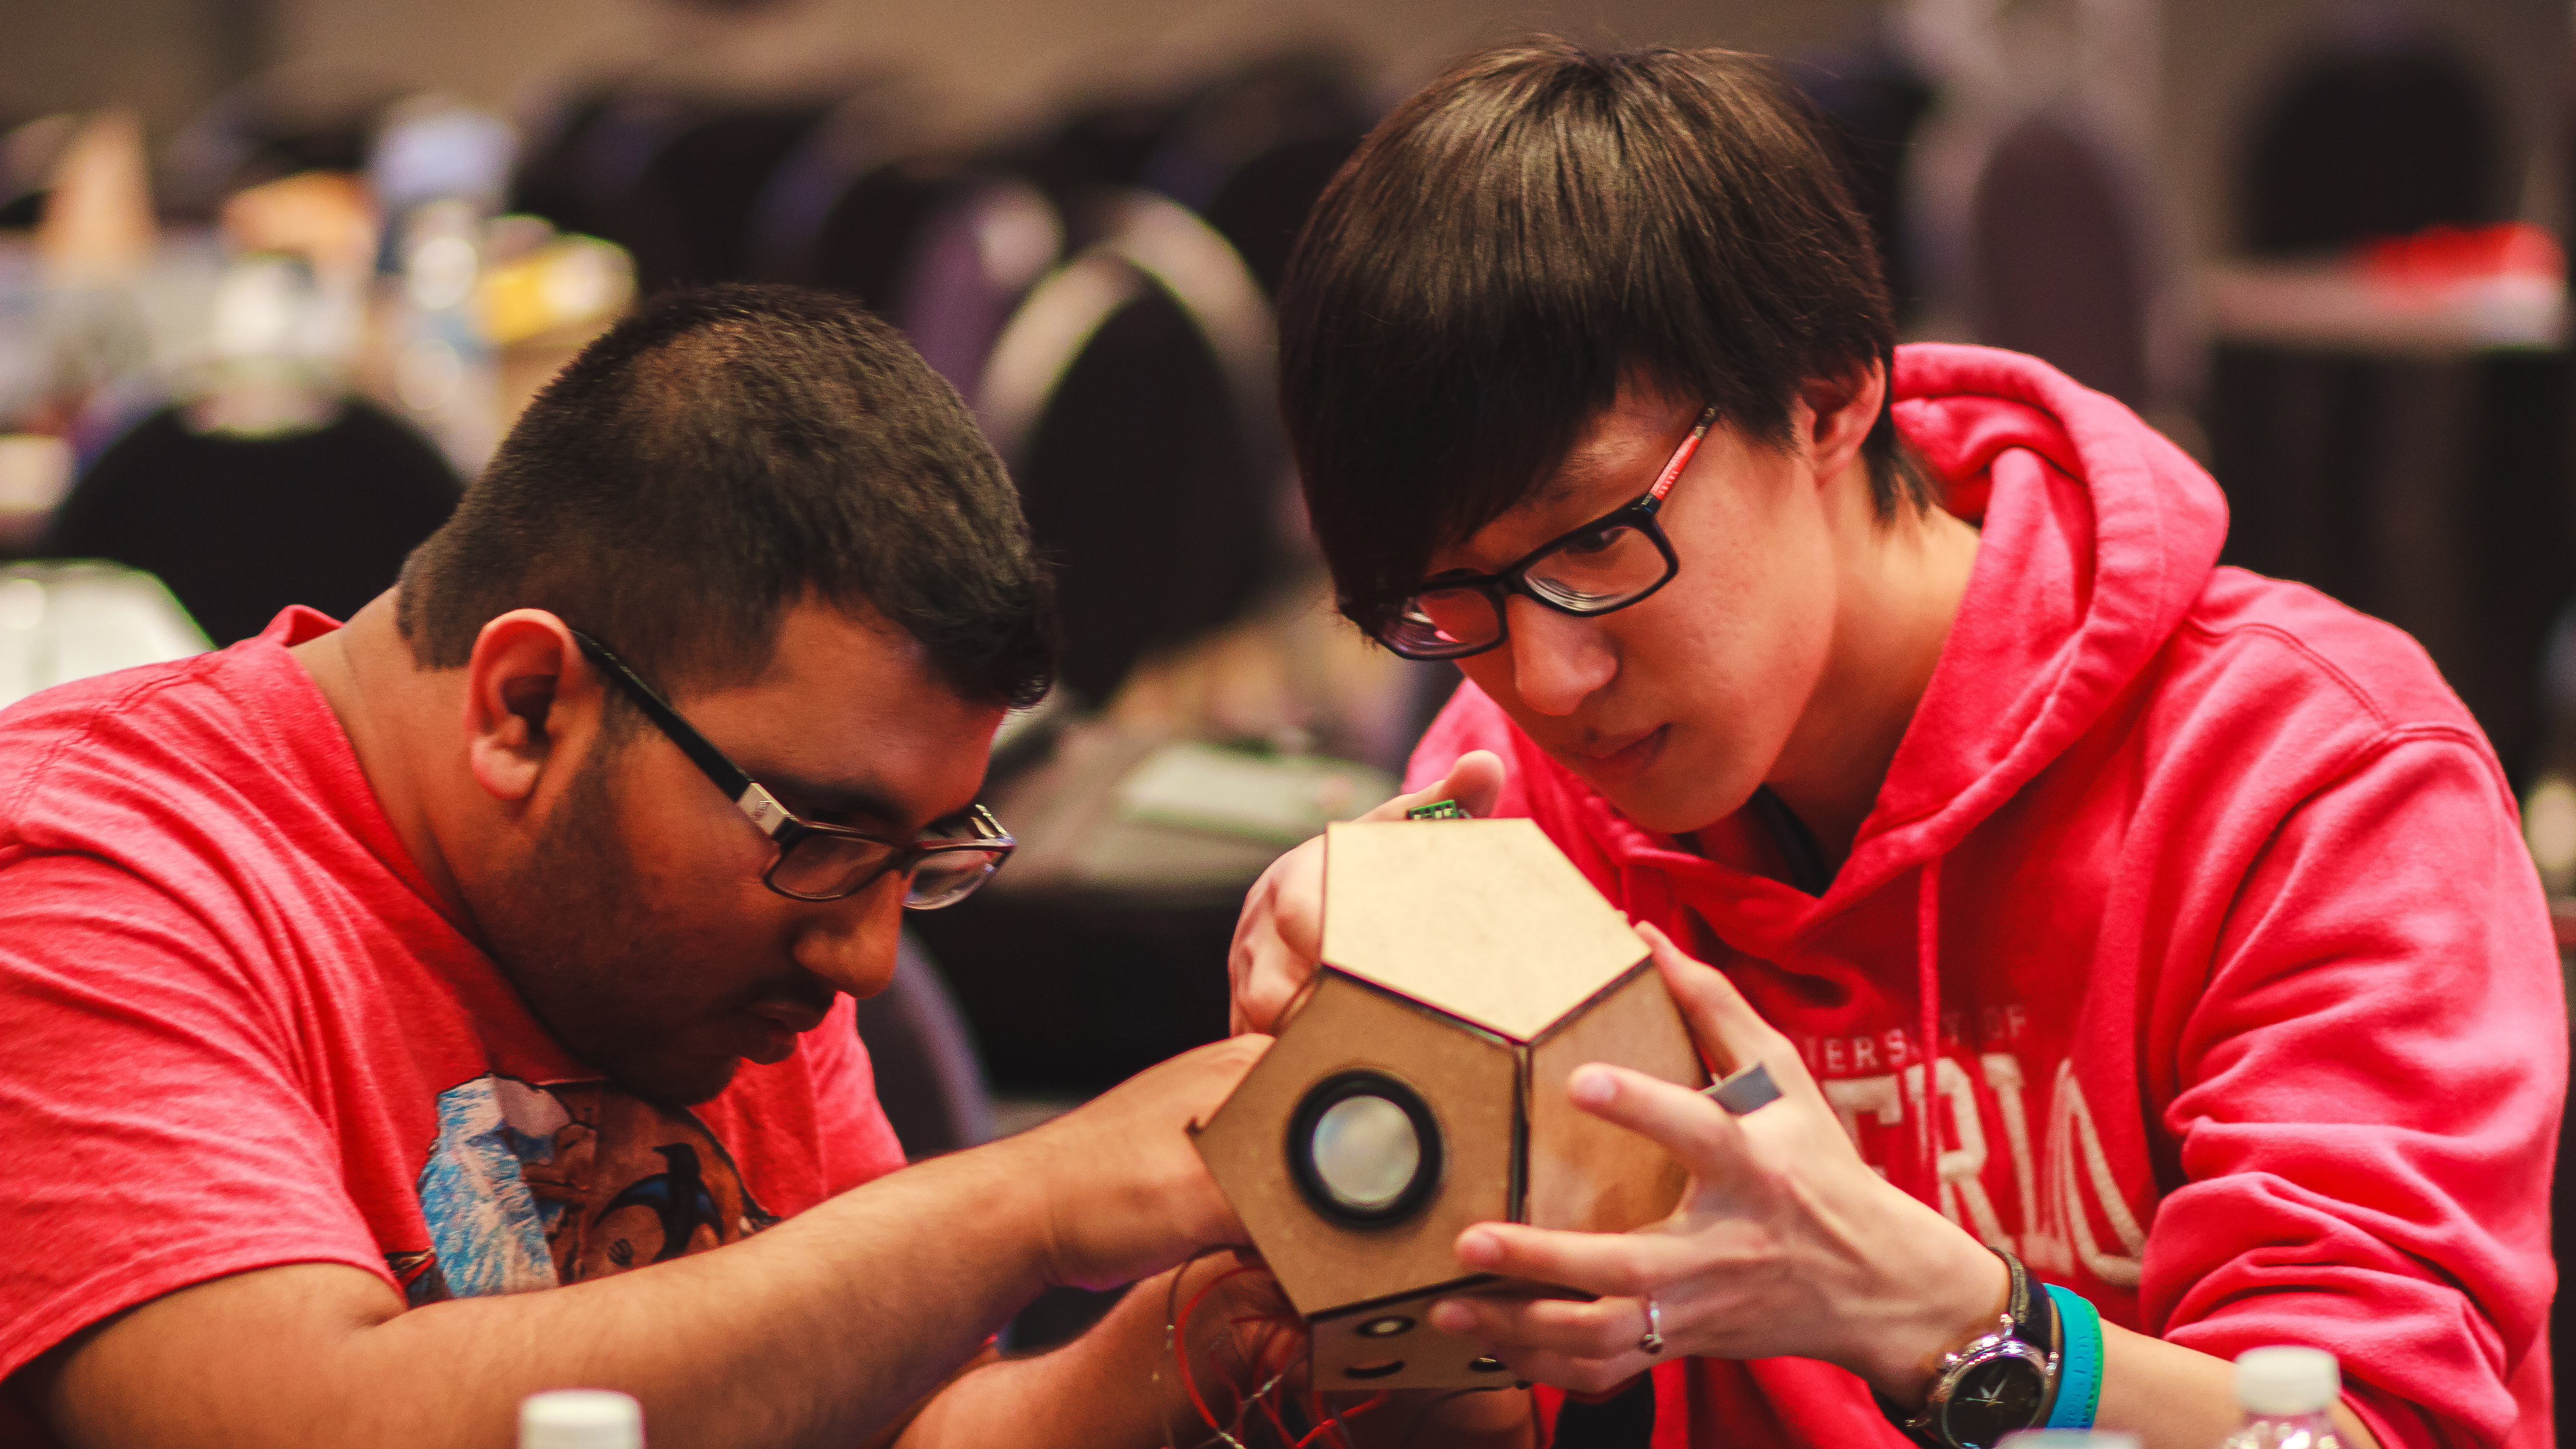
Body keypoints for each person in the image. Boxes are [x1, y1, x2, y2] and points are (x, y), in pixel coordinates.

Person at [1230, 38, 2563, 1449]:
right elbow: (1470, 1420)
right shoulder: (1510, 796)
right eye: (1453, 599)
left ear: (1824, 394)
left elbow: (2359, 1430)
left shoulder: (2315, 777)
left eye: (1599, 541)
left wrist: (1943, 1316)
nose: (1548, 679)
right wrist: (1359, 1183)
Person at [0, 285, 1309, 1449]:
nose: (869, 958)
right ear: (526, 706)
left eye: (918, 860)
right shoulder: (83, 876)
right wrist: (1026, 1199)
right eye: (824, 841)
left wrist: (1206, 1336)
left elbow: (889, 1416)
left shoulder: (736, 902)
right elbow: (301, 1418)